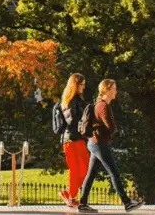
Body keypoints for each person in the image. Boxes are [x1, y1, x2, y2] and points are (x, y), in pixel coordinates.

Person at [75, 79, 142, 213]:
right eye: (114, 88)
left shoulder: (98, 104)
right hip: (99, 143)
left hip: (94, 142)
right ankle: (127, 203)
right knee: (114, 173)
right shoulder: (103, 106)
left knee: (91, 174)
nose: (116, 91)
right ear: (108, 89)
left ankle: (82, 203)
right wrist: (113, 132)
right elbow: (111, 127)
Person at [58, 74, 90, 208]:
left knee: (85, 169)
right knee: (75, 169)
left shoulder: (78, 100)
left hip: (79, 139)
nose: (84, 87)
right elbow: (71, 121)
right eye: (82, 84)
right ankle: (71, 197)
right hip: (70, 139)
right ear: (75, 85)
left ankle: (68, 193)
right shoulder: (70, 100)